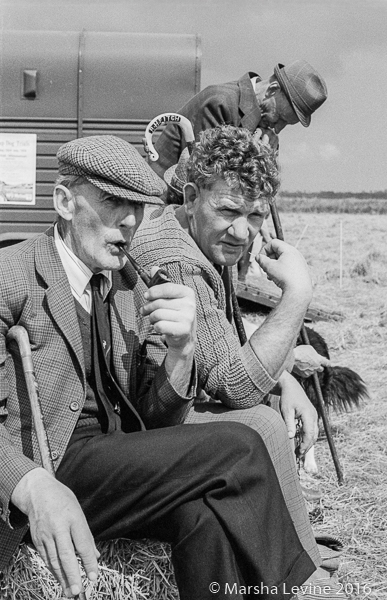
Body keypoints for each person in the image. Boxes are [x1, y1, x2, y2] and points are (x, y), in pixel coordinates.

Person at [0, 134, 321, 600]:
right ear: (64, 202)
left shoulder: (132, 282)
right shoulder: (11, 277)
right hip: (46, 471)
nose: (129, 222)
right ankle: (301, 590)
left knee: (207, 514)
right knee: (242, 447)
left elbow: (155, 420)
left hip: (112, 464)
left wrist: (181, 352)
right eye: (113, 202)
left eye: (139, 207)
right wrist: (31, 486)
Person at [131, 126, 342, 593]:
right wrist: (296, 295)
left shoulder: (200, 239)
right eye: (228, 210)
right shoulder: (178, 258)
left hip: (167, 400)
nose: (243, 232)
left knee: (264, 414)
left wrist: (285, 378)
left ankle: (291, 548)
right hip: (141, 418)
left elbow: (228, 352)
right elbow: (235, 384)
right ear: (190, 196)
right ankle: (294, 560)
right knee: (260, 423)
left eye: (255, 215)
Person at [151, 59, 327, 178]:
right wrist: (258, 155)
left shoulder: (260, 121)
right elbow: (209, 179)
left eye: (286, 124)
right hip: (163, 205)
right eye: (280, 118)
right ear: (272, 91)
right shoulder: (221, 103)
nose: (278, 129)